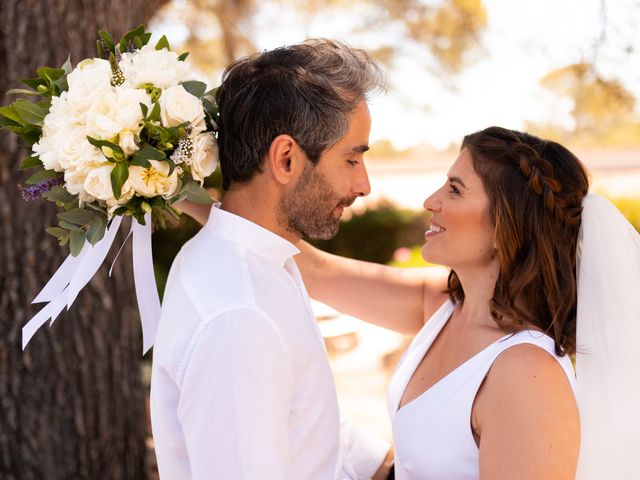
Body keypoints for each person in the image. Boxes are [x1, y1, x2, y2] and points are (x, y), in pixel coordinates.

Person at [294, 126, 640, 479]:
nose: (431, 201)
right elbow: (313, 269)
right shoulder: (444, 306)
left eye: (455, 189)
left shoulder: (527, 377)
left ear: (507, 224)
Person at [150, 39, 393, 479]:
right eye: (352, 158)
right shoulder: (240, 316)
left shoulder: (256, 259)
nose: (364, 185)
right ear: (285, 159)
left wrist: (384, 468)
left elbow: (301, 419)